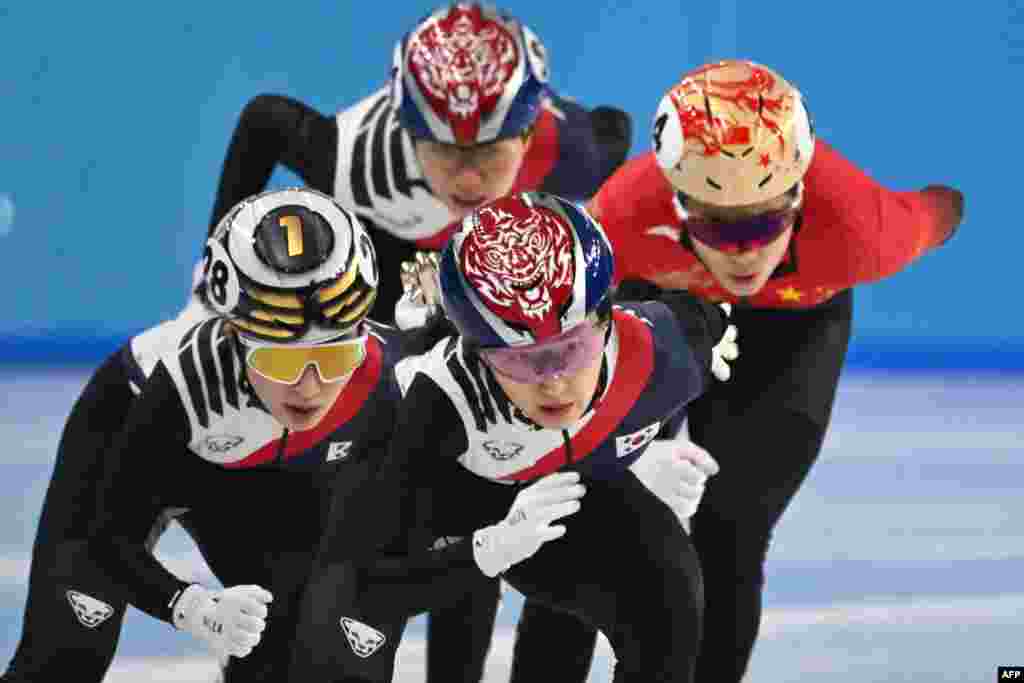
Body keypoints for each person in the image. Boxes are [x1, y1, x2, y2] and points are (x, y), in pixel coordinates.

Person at [503, 59, 966, 683]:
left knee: (731, 530)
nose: (744, 251)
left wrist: (945, 208)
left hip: (791, 332)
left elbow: (936, 212)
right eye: (716, 224)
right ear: (677, 203)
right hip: (656, 305)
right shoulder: (621, 222)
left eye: (766, 221)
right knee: (585, 512)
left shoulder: (862, 228)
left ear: (800, 198)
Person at [287, 191, 739, 683]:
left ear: (607, 324)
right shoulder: (430, 405)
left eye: (571, 347)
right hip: (445, 490)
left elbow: (705, 318)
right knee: (345, 635)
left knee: (667, 587)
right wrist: (485, 550)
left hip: (548, 487)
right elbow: (364, 589)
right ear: (478, 353)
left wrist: (633, 453)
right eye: (520, 359)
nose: (553, 381)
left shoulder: (666, 351)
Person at [2, 187, 406, 683]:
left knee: (285, 640)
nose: (310, 386)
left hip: (261, 476)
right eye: (281, 359)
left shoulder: (383, 377)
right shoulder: (178, 384)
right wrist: (189, 607)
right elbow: (106, 537)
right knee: (64, 656)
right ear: (235, 333)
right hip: (139, 448)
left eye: (332, 358)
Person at [208, 2, 633, 333]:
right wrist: (220, 266)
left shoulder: (574, 154)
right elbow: (265, 121)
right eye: (446, 151)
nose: (468, 178)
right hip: (393, 241)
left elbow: (617, 128)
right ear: (410, 136)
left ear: (526, 136)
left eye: (488, 151)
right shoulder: (362, 165)